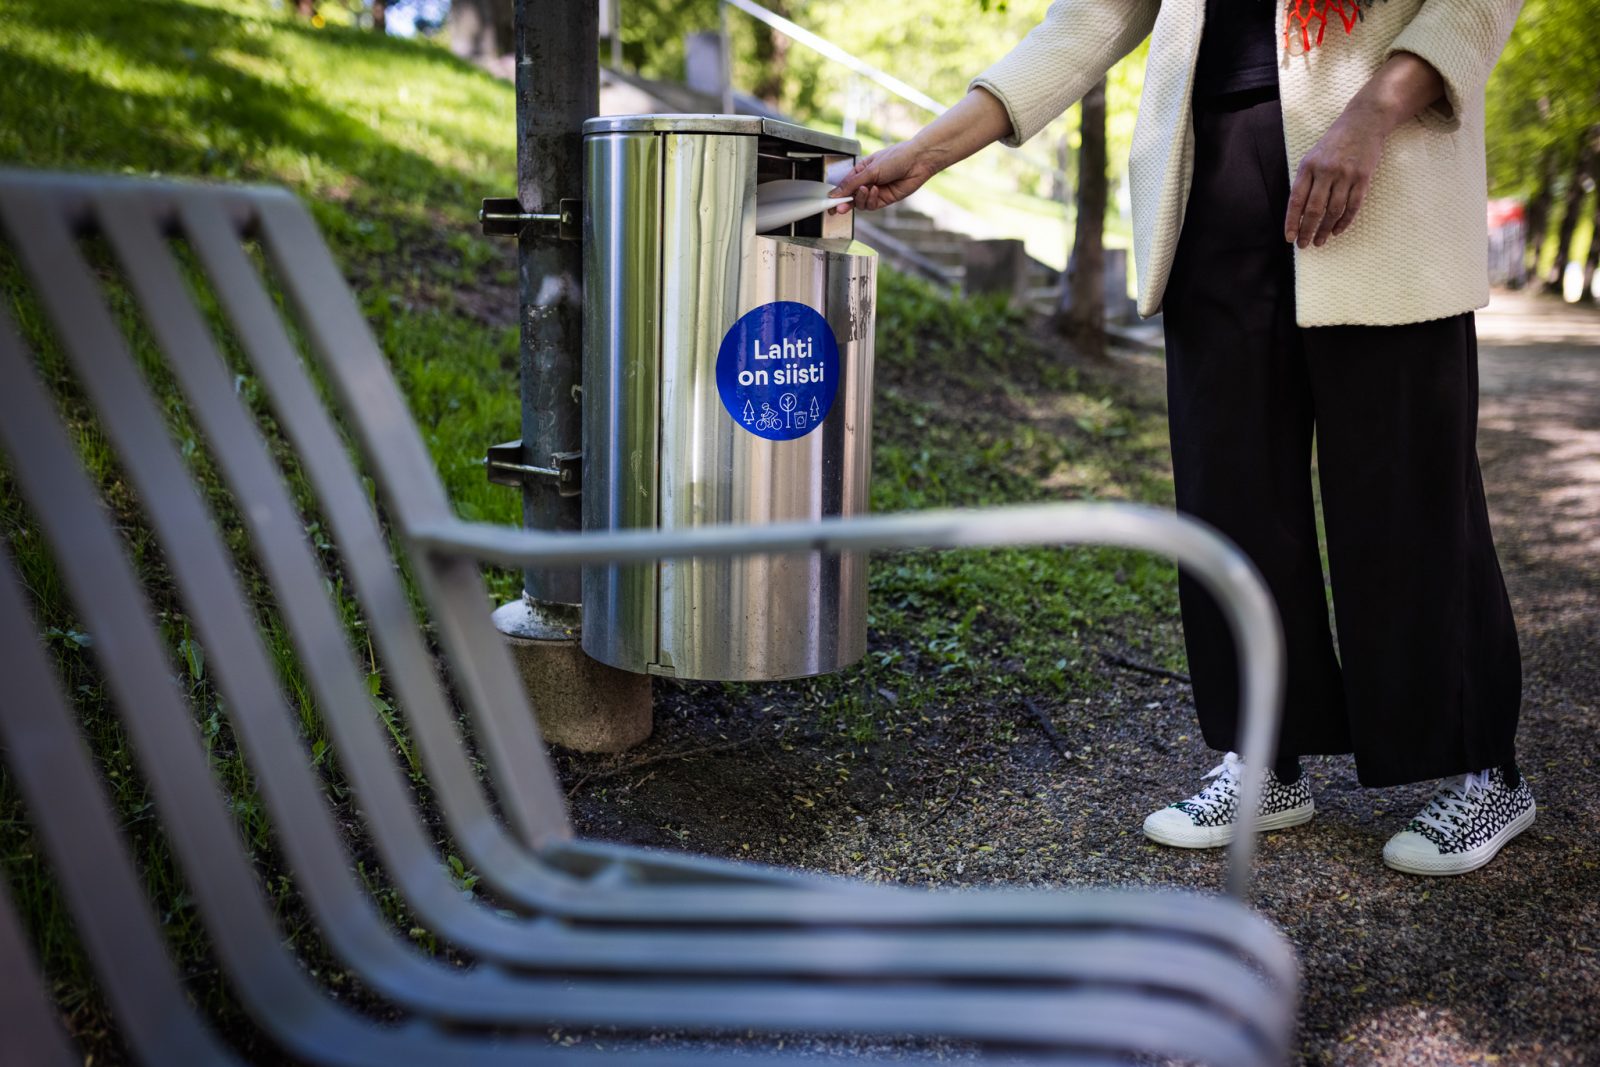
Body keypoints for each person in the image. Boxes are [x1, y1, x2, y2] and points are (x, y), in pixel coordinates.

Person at [830, 0, 1534, 876]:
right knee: (1232, 485)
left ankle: (1482, 766)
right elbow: (1089, 19)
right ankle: (1264, 758)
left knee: (1406, 482)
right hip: (1214, 174)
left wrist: (1372, 114)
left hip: (1383, 155)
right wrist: (930, 151)